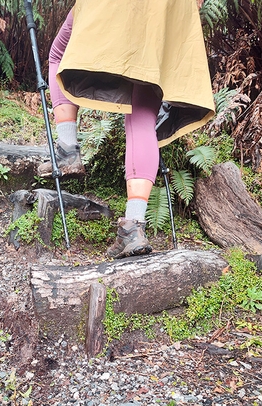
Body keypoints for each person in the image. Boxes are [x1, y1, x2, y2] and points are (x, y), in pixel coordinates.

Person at [38, 0, 214, 259]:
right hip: (171, 7)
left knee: (60, 54)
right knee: (144, 106)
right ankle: (133, 227)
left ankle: (67, 149)